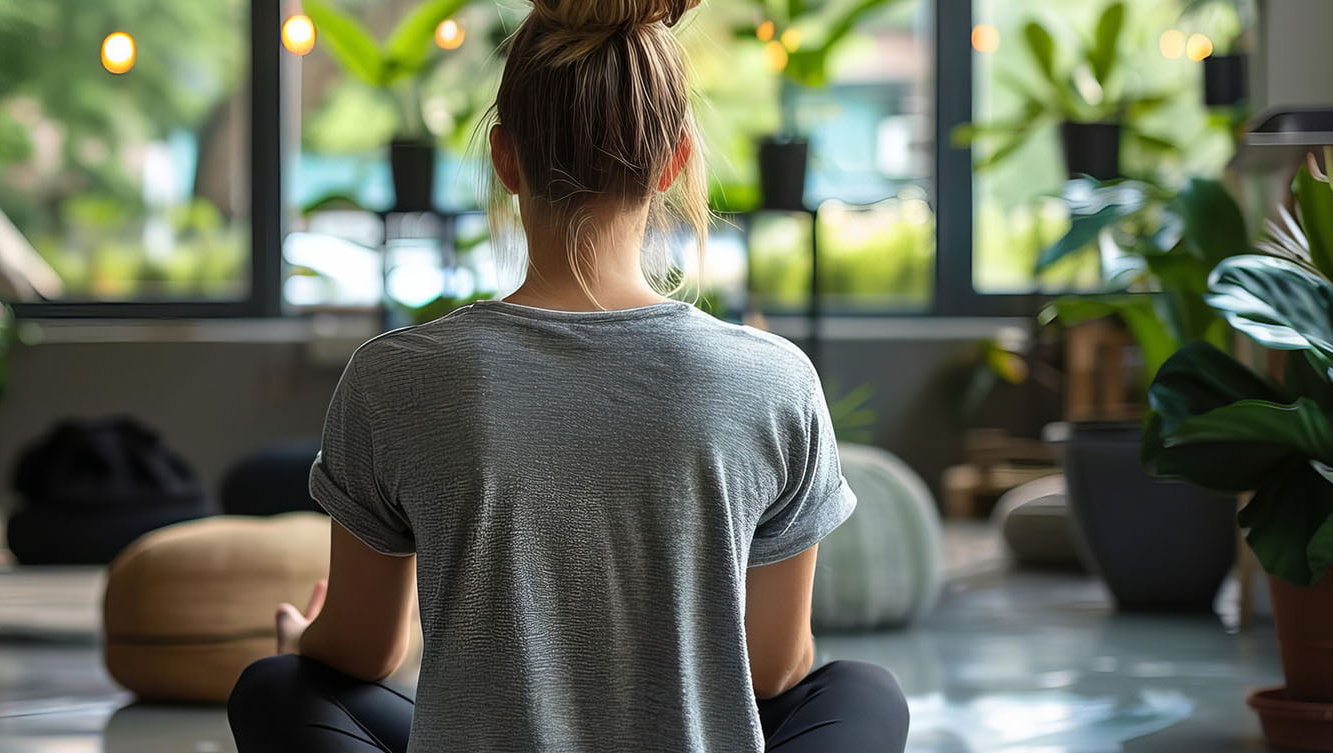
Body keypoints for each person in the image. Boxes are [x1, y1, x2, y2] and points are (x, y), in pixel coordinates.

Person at [226, 1, 909, 750]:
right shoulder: (775, 379)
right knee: (861, 690)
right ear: (674, 160)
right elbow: (774, 667)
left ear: (504, 158)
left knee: (276, 688)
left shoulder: (393, 378)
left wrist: (301, 638)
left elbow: (367, 651)